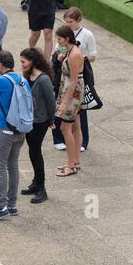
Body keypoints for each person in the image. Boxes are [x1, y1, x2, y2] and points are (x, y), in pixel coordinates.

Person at [0, 51, 27, 222]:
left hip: (4, 129)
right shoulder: (22, 80)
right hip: (20, 130)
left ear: (1, 64)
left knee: (0, 167)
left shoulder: (0, 80)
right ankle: (12, 205)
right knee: (13, 165)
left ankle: (0, 207)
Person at [52, 7, 95, 152]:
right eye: (66, 21)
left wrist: (77, 60)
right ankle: (58, 139)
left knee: (79, 111)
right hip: (63, 73)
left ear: (78, 20)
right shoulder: (63, 34)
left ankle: (82, 143)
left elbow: (93, 56)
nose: (68, 24)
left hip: (77, 74)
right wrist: (62, 55)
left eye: (70, 21)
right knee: (59, 106)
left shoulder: (87, 35)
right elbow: (59, 49)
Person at [19, 47, 54, 204]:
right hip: (29, 121)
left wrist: (52, 121)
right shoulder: (27, 76)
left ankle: (42, 188)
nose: (22, 65)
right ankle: (35, 183)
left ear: (32, 61)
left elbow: (51, 102)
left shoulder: (44, 79)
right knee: (33, 152)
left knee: (35, 152)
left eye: (23, 62)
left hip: (40, 122)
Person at [53, 25, 84, 176]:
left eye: (59, 39)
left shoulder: (74, 55)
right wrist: (61, 55)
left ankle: (70, 166)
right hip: (72, 91)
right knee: (76, 126)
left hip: (73, 93)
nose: (57, 42)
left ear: (67, 38)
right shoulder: (70, 50)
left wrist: (64, 103)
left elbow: (72, 81)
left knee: (65, 129)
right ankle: (75, 161)